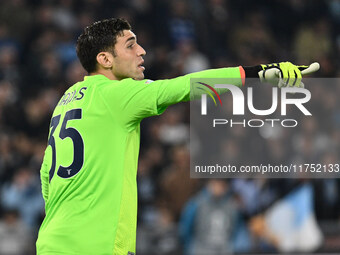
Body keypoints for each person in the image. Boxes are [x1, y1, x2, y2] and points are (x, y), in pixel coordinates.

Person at [36, 18, 318, 255]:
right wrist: (257, 73)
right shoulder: (117, 94)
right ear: (105, 59)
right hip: (94, 245)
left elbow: (46, 174)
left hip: (52, 240)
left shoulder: (68, 99)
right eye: (131, 45)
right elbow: (187, 86)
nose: (142, 51)